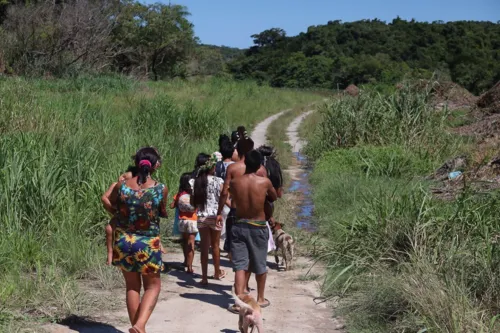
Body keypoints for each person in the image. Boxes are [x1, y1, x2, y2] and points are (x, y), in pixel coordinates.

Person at [105, 147, 168, 333]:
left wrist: (122, 217)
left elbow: (111, 203)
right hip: (147, 242)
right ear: (155, 165)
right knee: (153, 286)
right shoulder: (160, 188)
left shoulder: (122, 186)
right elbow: (161, 212)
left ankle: (138, 328)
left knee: (132, 287)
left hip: (124, 241)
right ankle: (140, 325)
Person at [217, 150, 277, 313]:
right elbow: (273, 197)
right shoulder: (264, 182)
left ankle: (239, 302)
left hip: (239, 224)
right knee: (260, 263)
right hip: (257, 226)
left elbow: (226, 193)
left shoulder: (236, 182)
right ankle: (261, 298)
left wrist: (219, 212)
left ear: (244, 164)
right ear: (259, 165)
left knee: (240, 265)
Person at [191, 153, 226, 285]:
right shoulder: (219, 181)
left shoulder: (196, 182)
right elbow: (222, 197)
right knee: (216, 246)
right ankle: (217, 272)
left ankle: (204, 277)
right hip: (215, 216)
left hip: (201, 216)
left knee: (204, 247)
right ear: (212, 168)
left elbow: (193, 201)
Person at [170, 172, 198, 275]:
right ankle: (190, 267)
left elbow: (172, 206)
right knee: (191, 243)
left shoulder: (179, 194)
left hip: (182, 220)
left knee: (185, 242)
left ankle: (186, 261)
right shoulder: (194, 194)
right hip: (193, 221)